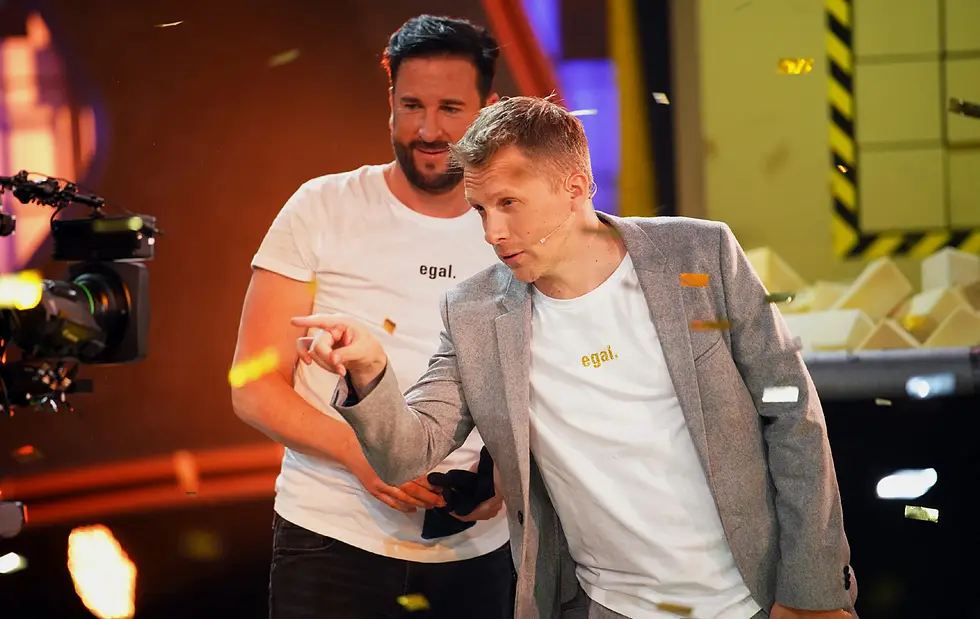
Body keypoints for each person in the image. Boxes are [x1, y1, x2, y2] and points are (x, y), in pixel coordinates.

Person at [291, 96, 860, 619]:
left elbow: (792, 416)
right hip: (603, 605)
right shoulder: (473, 313)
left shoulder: (700, 254)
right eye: (480, 209)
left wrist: (811, 595)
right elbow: (405, 455)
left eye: (509, 204)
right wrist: (369, 370)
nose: (492, 232)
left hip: (760, 596)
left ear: (576, 185)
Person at [230, 15, 515, 619]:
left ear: (488, 111)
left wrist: (506, 478)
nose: (429, 130)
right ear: (390, 104)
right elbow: (252, 388)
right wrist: (363, 455)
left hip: (480, 550)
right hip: (331, 540)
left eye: (450, 108)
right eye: (412, 105)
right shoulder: (322, 206)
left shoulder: (517, 223)